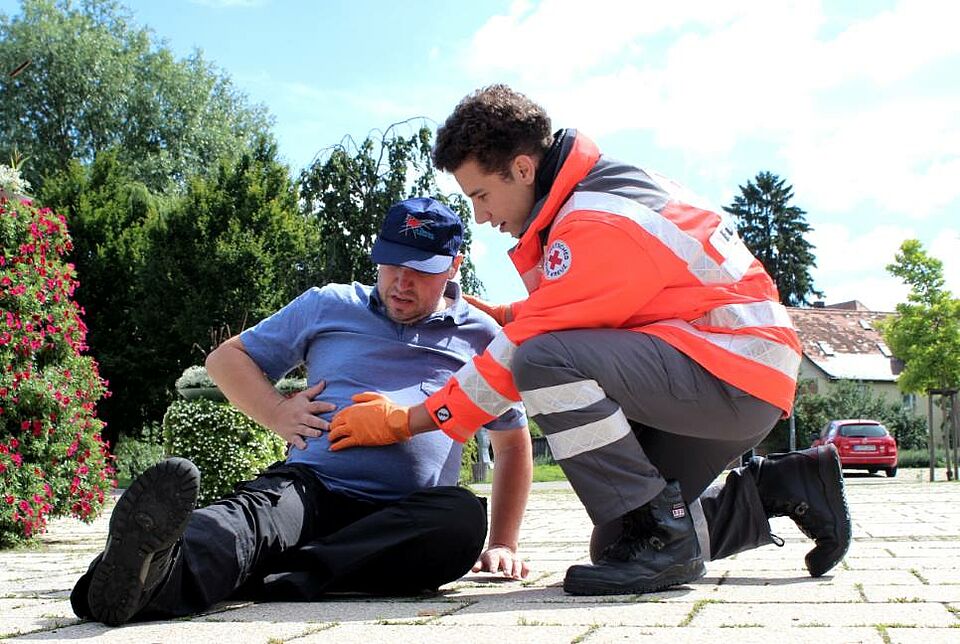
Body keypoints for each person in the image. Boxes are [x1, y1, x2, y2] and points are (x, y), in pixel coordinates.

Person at [328, 85, 851, 595]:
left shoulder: (597, 220)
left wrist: (410, 420)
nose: (481, 215)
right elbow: (607, 302)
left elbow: (530, 350)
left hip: (729, 372)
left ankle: (665, 536)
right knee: (621, 541)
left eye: (481, 195)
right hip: (725, 368)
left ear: (523, 169)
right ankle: (785, 487)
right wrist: (508, 314)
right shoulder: (596, 194)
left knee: (541, 359)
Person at [71, 197, 532, 626]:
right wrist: (276, 411)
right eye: (391, 264)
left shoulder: (481, 335)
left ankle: (269, 571)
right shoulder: (329, 304)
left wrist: (503, 543)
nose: (400, 282)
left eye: (419, 270)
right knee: (247, 522)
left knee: (461, 519)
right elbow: (225, 359)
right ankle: (134, 578)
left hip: (406, 516)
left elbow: (511, 443)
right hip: (310, 488)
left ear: (454, 266)